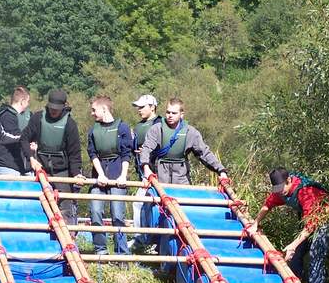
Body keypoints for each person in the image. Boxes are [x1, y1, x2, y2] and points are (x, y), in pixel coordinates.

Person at [246, 168, 329, 283]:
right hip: (309, 219)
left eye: (281, 187)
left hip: (326, 218)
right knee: (295, 256)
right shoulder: (280, 191)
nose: (280, 191)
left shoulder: (305, 192)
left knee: (315, 255)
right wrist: (255, 223)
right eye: (276, 188)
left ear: (289, 180)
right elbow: (267, 205)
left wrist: (293, 246)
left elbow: (311, 225)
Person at [22, 89, 86, 225]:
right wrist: (31, 159)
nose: (53, 111)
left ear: (64, 107)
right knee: (40, 206)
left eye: (57, 109)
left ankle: (68, 242)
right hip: (41, 170)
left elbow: (74, 153)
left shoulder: (70, 124)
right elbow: (24, 139)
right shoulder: (38, 118)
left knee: (65, 209)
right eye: (51, 108)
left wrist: (76, 174)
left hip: (62, 172)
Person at [140, 97, 228, 184]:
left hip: (182, 180)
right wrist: (146, 168)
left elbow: (204, 153)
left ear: (181, 114)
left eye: (174, 113)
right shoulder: (156, 129)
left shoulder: (191, 132)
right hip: (160, 178)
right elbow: (146, 149)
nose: (170, 115)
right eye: (168, 112)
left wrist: (221, 170)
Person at [87, 96, 132, 255]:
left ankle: (122, 254)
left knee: (118, 214)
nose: (92, 113)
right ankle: (101, 251)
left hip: (117, 172)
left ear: (104, 109)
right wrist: (100, 175)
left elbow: (127, 154)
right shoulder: (93, 130)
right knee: (96, 211)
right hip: (99, 175)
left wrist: (123, 176)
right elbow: (92, 154)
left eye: (94, 110)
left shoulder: (123, 128)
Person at [130, 94, 162, 251]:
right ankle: (145, 240)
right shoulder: (138, 126)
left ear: (152, 107)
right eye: (138, 107)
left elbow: (165, 146)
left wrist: (151, 151)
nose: (139, 110)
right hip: (142, 172)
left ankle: (145, 240)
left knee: (142, 203)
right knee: (141, 204)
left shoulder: (161, 124)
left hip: (157, 173)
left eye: (142, 107)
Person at [0, 86, 32, 176]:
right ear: (23, 101)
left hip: (23, 165)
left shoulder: (29, 116)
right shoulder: (6, 116)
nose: (28, 104)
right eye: (27, 102)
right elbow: (14, 136)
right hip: (7, 165)